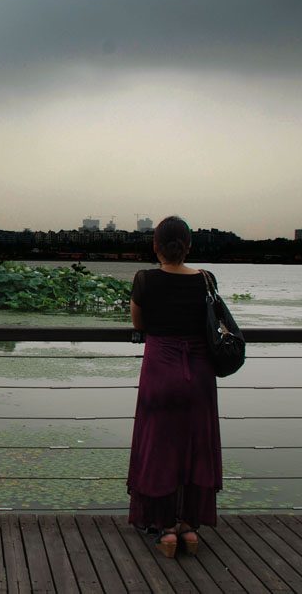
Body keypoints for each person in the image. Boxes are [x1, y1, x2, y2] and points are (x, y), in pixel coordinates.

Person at [126, 215, 222, 558]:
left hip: (160, 373)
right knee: (196, 448)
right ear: (189, 246)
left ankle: (165, 530)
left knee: (159, 449)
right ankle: (189, 527)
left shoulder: (144, 280)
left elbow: (140, 323)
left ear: (155, 246)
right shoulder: (207, 279)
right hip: (199, 375)